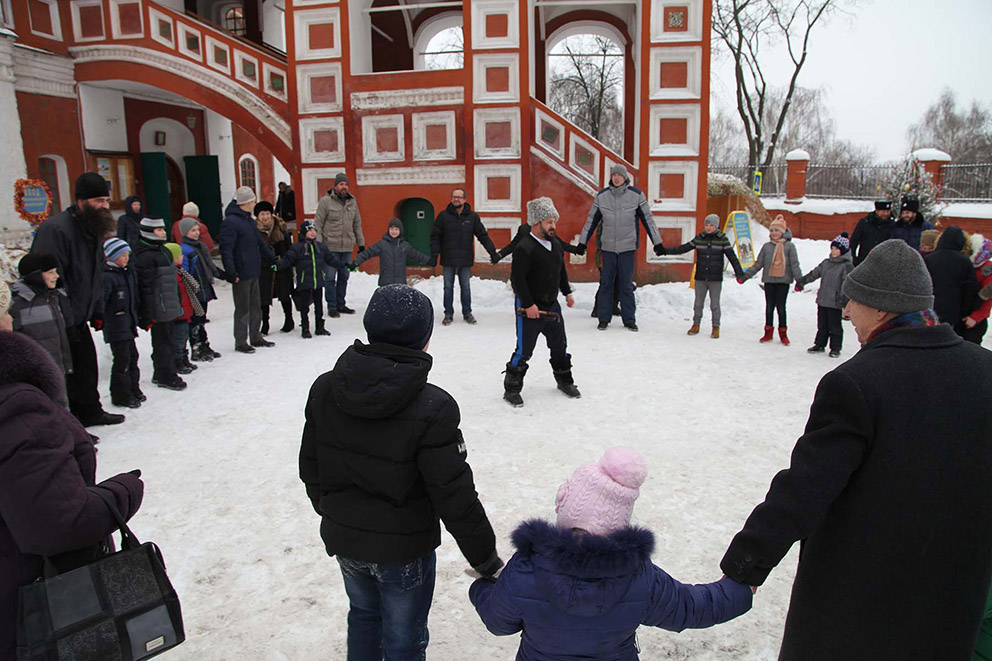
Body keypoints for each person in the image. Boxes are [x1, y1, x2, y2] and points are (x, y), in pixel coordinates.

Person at [721, 239, 992, 659]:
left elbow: (806, 487)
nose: (845, 312)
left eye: (853, 301)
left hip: (862, 601)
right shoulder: (985, 371)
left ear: (881, 309)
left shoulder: (857, 382)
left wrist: (747, 563)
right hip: (952, 600)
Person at [299, 284, 502, 659]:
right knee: (403, 639)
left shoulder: (326, 387)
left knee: (364, 617)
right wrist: (486, 559)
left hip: (346, 540)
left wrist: (337, 513)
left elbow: (310, 468)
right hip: (403, 552)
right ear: (424, 340)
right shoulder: (433, 406)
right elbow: (454, 495)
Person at [470, 447, 753, 660]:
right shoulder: (639, 576)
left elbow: (498, 622)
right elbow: (691, 608)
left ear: (567, 509)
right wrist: (740, 590)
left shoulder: (525, 569)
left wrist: (481, 587)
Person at [0, 300, 145, 660]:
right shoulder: (16, 406)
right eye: (4, 308)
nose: (10, 316)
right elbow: (63, 524)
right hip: (29, 614)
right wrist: (123, 490)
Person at [31, 172, 123, 427]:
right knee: (65, 373)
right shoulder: (56, 230)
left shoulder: (92, 227)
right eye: (98, 200)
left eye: (106, 200)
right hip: (58, 317)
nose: (104, 206)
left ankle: (91, 412)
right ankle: (71, 425)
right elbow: (49, 279)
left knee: (86, 367)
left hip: (79, 315)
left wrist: (97, 309)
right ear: (81, 201)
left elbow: (94, 274)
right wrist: (67, 318)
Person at [504, 197, 579, 407]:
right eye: (549, 222)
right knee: (524, 350)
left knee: (559, 346)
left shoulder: (555, 244)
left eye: (554, 221)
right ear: (536, 223)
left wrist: (567, 292)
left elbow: (560, 271)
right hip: (528, 308)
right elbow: (517, 280)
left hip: (551, 306)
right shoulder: (524, 248)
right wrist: (529, 304)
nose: (553, 226)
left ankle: (565, 381)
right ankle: (511, 388)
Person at [576, 164, 664, 332]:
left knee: (626, 285)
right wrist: (582, 242)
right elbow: (591, 221)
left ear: (625, 178)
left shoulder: (636, 195)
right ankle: (603, 318)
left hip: (627, 248)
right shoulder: (602, 196)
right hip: (608, 248)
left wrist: (657, 242)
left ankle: (629, 319)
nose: (616, 178)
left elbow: (648, 219)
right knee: (606, 284)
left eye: (620, 175)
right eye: (614, 175)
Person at [658, 213, 744, 338]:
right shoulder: (699, 238)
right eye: (706, 225)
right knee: (698, 303)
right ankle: (696, 324)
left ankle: (715, 327)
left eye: (711, 225)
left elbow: (732, 257)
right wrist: (664, 251)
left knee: (715, 304)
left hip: (715, 278)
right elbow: (683, 248)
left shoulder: (722, 239)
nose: (708, 227)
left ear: (716, 226)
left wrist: (739, 273)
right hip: (701, 277)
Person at [219, 186, 277, 353]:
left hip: (253, 269)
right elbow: (226, 249)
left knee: (255, 306)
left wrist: (272, 258)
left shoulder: (249, 221)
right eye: (252, 201)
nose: (254, 203)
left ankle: (256, 336)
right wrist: (231, 272)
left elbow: (260, 243)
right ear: (245, 202)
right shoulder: (230, 223)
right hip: (241, 273)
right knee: (243, 308)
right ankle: (241, 341)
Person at [430, 188, 498, 325]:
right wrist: (434, 254)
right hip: (448, 258)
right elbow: (435, 236)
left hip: (465, 258)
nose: (456, 199)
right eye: (454, 197)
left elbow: (482, 235)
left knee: (465, 287)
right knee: (448, 287)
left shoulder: (472, 217)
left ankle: (467, 313)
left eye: (459, 197)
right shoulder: (443, 216)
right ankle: (448, 314)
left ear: (465, 199)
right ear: (451, 199)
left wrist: (492, 252)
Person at [9, 253, 73, 395]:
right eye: (51, 272)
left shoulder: (52, 297)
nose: (57, 276)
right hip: (33, 378)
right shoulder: (17, 303)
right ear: (35, 275)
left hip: (56, 371)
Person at [134, 217, 186, 391]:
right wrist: (147, 313)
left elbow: (172, 279)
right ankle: (166, 375)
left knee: (167, 341)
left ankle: (162, 372)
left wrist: (177, 299)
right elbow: (145, 287)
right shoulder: (145, 256)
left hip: (169, 304)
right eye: (159, 230)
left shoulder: (163, 251)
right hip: (159, 307)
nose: (163, 232)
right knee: (162, 343)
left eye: (163, 229)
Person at [274, 220, 344, 338]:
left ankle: (320, 326)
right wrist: (277, 265)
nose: (312, 233)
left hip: (318, 281)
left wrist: (344, 266)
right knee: (304, 306)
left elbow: (331, 259)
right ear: (303, 232)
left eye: (314, 230)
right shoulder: (297, 248)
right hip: (304, 282)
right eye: (309, 230)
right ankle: (305, 327)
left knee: (319, 305)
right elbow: (287, 260)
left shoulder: (321, 247)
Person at [739, 215, 802, 345]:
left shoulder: (789, 247)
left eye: (776, 230)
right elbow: (758, 264)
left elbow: (794, 265)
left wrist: (800, 281)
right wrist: (745, 276)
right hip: (769, 281)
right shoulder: (767, 247)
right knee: (769, 308)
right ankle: (768, 332)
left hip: (783, 282)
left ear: (783, 232)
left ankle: (783, 334)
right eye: (772, 230)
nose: (774, 233)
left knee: (781, 308)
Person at [795, 233, 854, 358]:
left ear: (843, 251)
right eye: (832, 248)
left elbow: (847, 285)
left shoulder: (846, 266)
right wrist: (802, 281)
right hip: (823, 300)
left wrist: (844, 300)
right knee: (822, 325)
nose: (833, 251)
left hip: (835, 302)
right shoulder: (826, 263)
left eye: (836, 249)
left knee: (835, 326)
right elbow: (814, 273)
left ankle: (835, 348)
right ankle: (820, 344)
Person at [101, 238, 144, 409]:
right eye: (122, 255)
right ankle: (121, 394)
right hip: (116, 324)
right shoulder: (107, 276)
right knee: (122, 360)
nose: (126, 258)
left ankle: (133, 388)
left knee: (133, 356)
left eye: (127, 255)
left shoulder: (127, 273)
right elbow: (102, 301)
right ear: (112, 256)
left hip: (128, 323)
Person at [314, 173, 364, 317]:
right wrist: (319, 245)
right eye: (341, 184)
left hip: (347, 247)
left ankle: (341, 304)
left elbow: (357, 224)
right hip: (330, 247)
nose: (344, 187)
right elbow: (318, 224)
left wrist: (361, 244)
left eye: (346, 184)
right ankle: (332, 306)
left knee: (344, 277)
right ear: (335, 186)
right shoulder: (326, 202)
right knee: (330, 277)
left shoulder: (352, 202)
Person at [179, 217, 222, 361]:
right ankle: (196, 348)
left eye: (197, 230)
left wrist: (222, 275)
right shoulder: (185, 249)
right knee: (195, 321)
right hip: (194, 291)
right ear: (185, 232)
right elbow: (184, 272)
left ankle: (204, 345)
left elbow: (209, 266)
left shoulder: (200, 246)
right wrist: (192, 287)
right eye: (193, 230)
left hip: (203, 288)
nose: (196, 233)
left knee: (202, 319)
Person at [924, 225, 978, 337]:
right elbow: (970, 289)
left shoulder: (929, 259)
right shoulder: (965, 262)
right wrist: (965, 311)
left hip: (930, 309)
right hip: (953, 312)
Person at [254, 200, 294, 335]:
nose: (265, 217)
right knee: (264, 296)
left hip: (281, 265)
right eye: (262, 214)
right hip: (263, 268)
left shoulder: (280, 226)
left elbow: (289, 247)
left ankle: (289, 319)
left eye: (267, 214)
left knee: (284, 294)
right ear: (258, 216)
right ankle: (265, 323)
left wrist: (286, 261)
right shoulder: (254, 230)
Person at [354, 218, 432, 286]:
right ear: (388, 230)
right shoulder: (382, 245)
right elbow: (367, 253)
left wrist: (430, 261)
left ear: (400, 231)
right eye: (391, 229)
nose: (394, 231)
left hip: (400, 283)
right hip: (385, 282)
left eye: (396, 229)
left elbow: (417, 255)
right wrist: (356, 263)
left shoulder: (405, 246)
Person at [165, 242, 202, 375]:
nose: (182, 257)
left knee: (184, 336)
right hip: (179, 313)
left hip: (186, 311)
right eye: (179, 255)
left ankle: (184, 358)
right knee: (178, 338)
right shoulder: (172, 275)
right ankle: (178, 361)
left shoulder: (180, 271)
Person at [963, 233, 992, 345]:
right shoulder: (971, 266)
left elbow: (988, 297)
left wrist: (976, 317)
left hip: (974, 320)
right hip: (964, 314)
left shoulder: (987, 268)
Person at [848, 199, 893, 266]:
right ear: (877, 211)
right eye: (883, 211)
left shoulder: (892, 225)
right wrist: (854, 260)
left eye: (887, 211)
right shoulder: (865, 223)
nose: (886, 214)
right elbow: (854, 242)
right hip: (864, 262)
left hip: (884, 264)